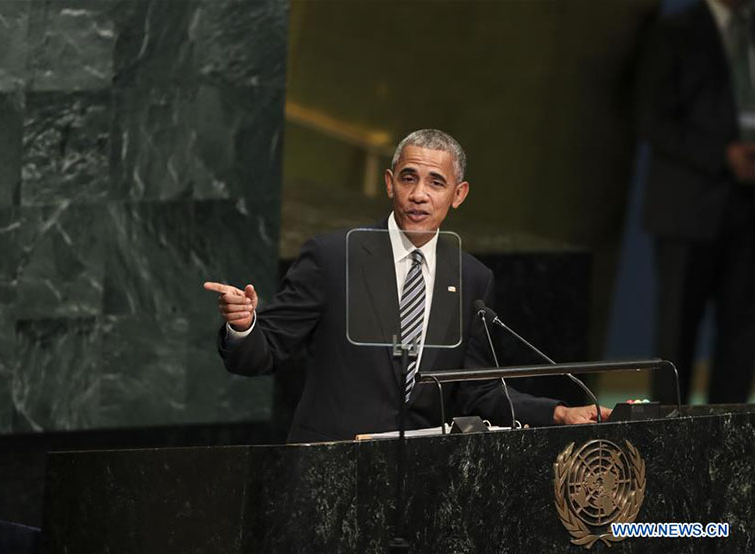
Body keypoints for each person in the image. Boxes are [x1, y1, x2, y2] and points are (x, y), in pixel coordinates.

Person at [205, 129, 610, 443]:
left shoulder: (471, 278)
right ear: (389, 183)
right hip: (331, 470)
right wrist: (243, 325)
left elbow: (477, 393)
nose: (419, 195)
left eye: (436, 183)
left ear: (458, 194)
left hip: (419, 479)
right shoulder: (333, 257)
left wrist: (557, 413)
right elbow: (263, 353)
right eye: (408, 178)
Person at [639, 0, 755, 404]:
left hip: (748, 210)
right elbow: (652, 119)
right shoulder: (675, 32)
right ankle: (668, 442)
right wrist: (722, 155)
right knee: (676, 335)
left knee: (742, 335)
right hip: (688, 206)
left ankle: (731, 445)